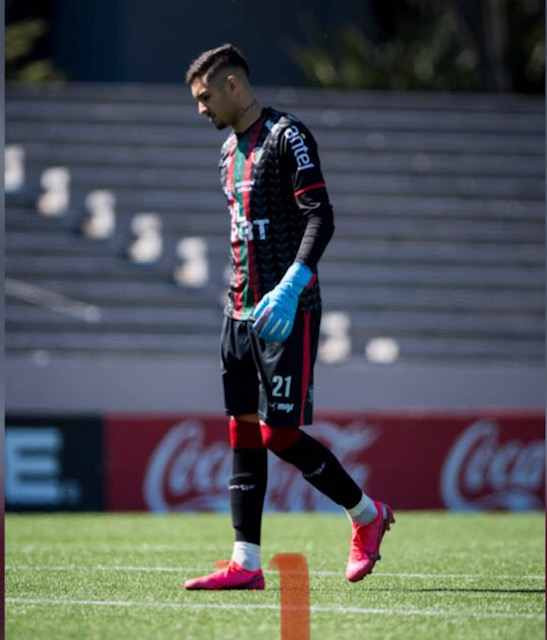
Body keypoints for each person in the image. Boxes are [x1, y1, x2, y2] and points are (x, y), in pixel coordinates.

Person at [183, 44, 394, 591]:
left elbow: (320, 216)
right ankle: (246, 564)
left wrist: (292, 284)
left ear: (233, 85)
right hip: (237, 311)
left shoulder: (286, 136)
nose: (200, 109)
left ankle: (368, 516)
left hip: (286, 308)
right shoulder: (228, 154)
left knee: (279, 434)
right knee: (243, 431)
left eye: (205, 98)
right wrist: (239, 301)